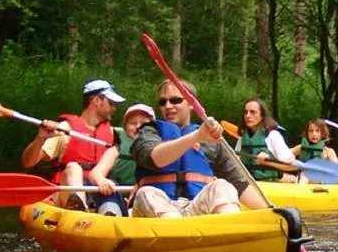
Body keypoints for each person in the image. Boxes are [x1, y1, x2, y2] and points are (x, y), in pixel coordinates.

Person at [130, 79, 271, 218]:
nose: (168, 106)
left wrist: (272, 211)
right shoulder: (148, 133)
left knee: (223, 186)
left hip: (195, 208)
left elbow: (240, 186)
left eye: (175, 100)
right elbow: (156, 159)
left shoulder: (211, 140)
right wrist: (196, 137)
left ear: (191, 104)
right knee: (146, 193)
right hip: (160, 209)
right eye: (163, 102)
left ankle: (230, 231)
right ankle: (175, 231)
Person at [20, 78, 125, 210]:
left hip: (98, 194)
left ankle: (96, 211)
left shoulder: (112, 134)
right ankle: (78, 207)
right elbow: (28, 162)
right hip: (66, 191)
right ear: (96, 101)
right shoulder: (66, 128)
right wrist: (40, 139)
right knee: (73, 168)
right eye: (110, 103)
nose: (113, 108)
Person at [87, 103, 155, 216]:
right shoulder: (116, 149)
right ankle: (111, 214)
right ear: (125, 127)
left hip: (146, 198)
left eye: (143, 123)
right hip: (119, 199)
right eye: (132, 123)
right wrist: (101, 180)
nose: (138, 126)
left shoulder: (160, 148)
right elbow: (95, 173)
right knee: (109, 187)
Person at [236, 97, 298, 183]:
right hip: (248, 185)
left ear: (262, 115)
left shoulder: (272, 136)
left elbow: (293, 166)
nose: (248, 115)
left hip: (270, 184)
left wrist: (268, 162)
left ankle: (293, 180)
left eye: (252, 112)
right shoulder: (242, 139)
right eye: (245, 112)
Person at [290, 118, 338, 184]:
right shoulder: (301, 147)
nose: (314, 134)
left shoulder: (328, 151)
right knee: (303, 175)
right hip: (304, 178)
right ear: (307, 133)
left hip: (321, 180)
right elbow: (284, 155)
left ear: (323, 133)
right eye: (311, 131)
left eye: (317, 131)